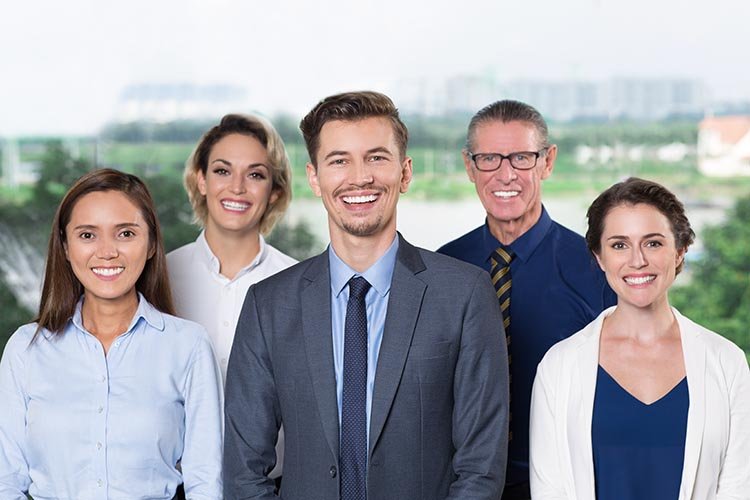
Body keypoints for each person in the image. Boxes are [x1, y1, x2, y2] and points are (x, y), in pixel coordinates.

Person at [223, 91, 509, 499]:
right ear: (315, 177)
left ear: (405, 172)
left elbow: (480, 467)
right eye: (339, 160)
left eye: (376, 157)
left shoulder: (464, 295)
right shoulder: (268, 305)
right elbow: (243, 470)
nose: (359, 177)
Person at [0, 169, 223, 499]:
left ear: (150, 245)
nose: (107, 252)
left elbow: (206, 482)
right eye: (88, 235)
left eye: (125, 234)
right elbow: (6, 480)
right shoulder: (26, 348)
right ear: (65, 246)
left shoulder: (188, 346)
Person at [438, 99, 616, 499]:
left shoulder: (597, 270)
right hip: (459, 484)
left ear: (547, 162)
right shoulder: (441, 267)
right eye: (489, 158)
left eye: (521, 157)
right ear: (469, 166)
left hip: (566, 484)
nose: (506, 174)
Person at [530, 177, 750, 500]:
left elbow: (737, 488)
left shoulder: (727, 363)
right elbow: (551, 491)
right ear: (599, 257)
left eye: (653, 243)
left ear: (679, 251)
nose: (637, 261)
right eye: (619, 245)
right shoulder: (558, 367)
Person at [168, 113, 296, 383]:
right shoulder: (161, 276)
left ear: (274, 191)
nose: (237, 187)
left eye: (255, 174)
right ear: (201, 180)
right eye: (222, 171)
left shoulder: (298, 287)